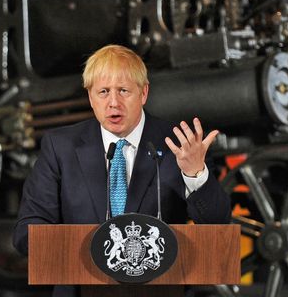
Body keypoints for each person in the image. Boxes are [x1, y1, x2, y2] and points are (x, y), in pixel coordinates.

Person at [12, 44, 231, 260]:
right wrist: (86, 252)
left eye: (123, 91)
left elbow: (217, 225)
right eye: (103, 92)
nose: (113, 103)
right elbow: (26, 234)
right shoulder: (60, 146)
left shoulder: (179, 145)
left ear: (143, 93)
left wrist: (195, 175)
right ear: (90, 97)